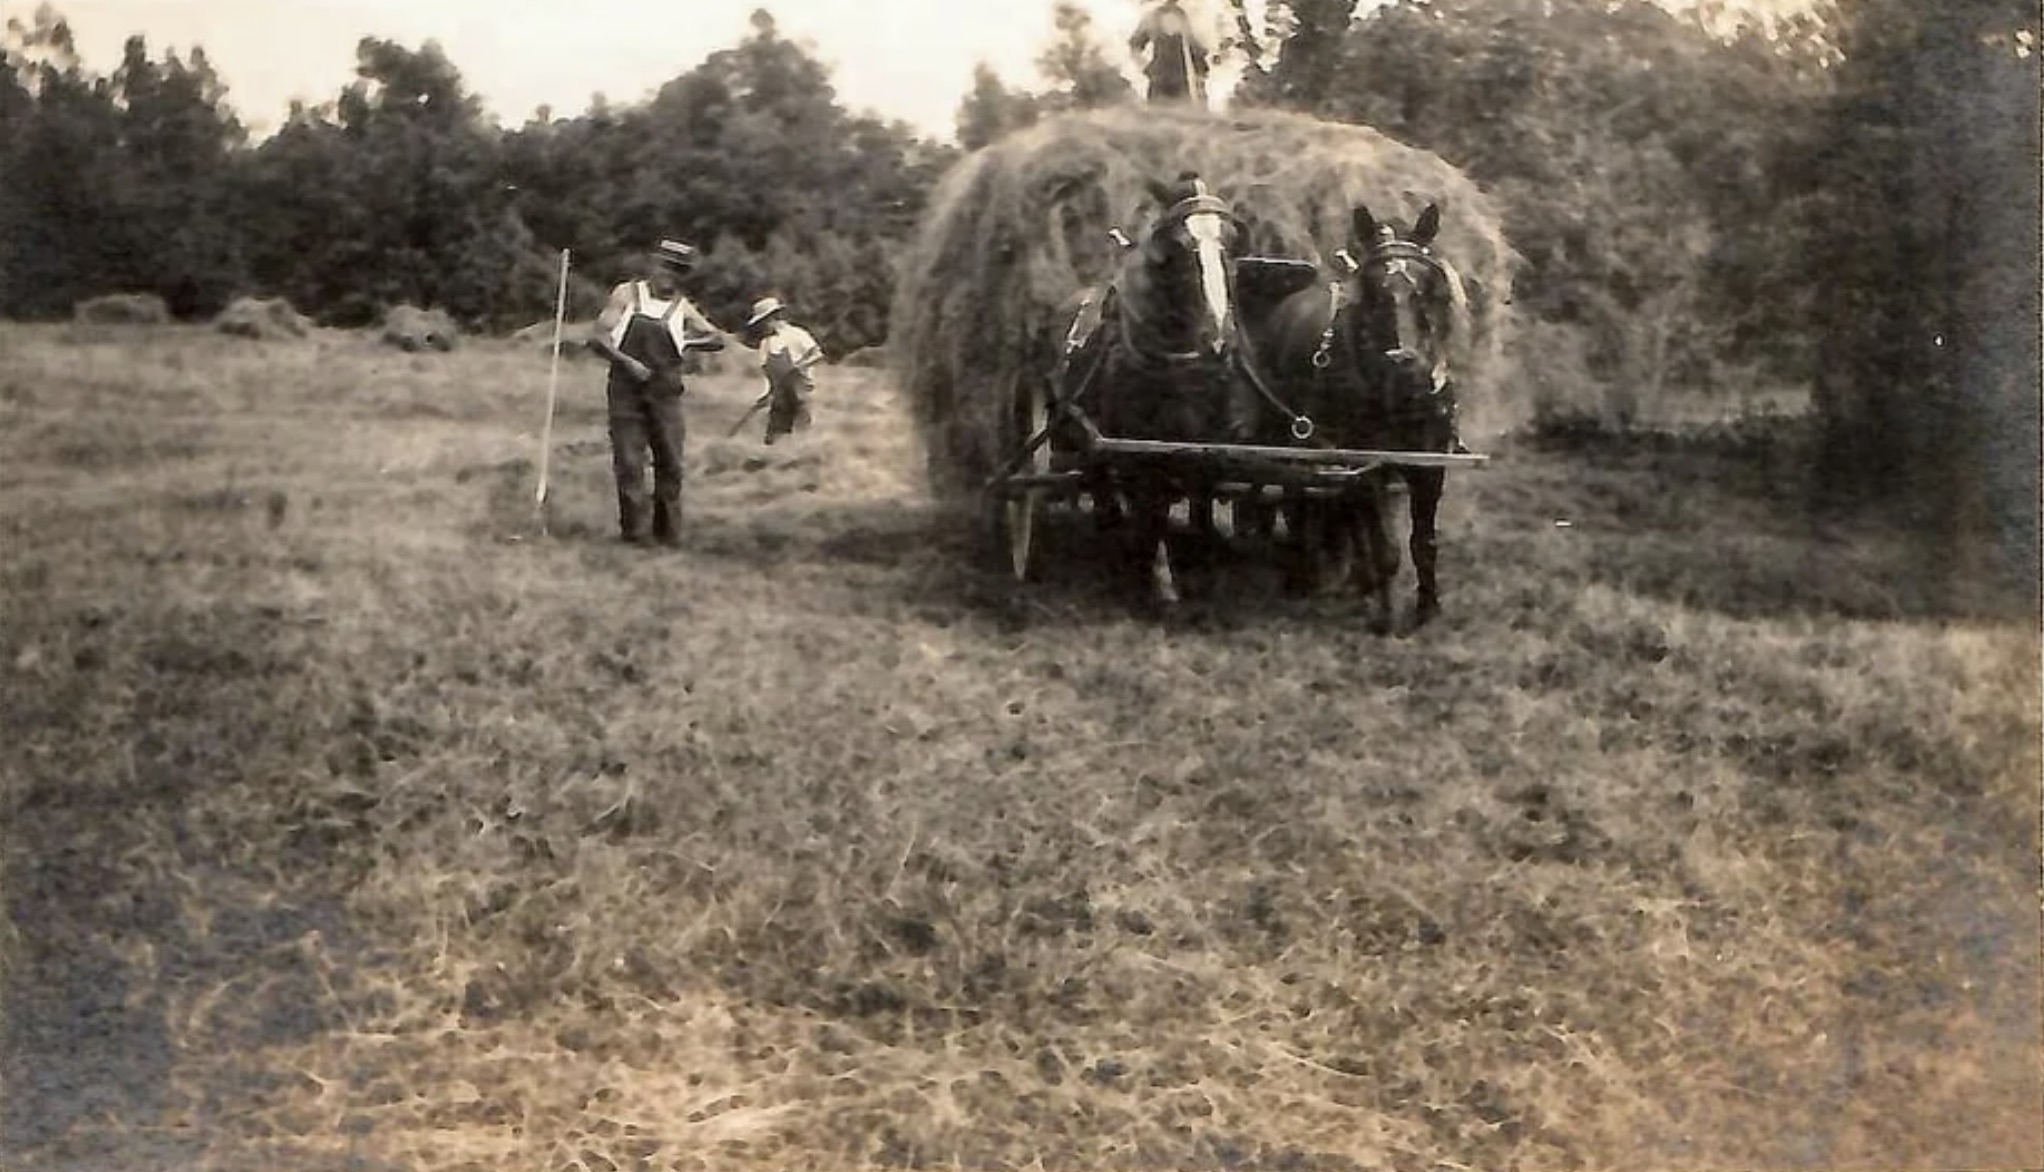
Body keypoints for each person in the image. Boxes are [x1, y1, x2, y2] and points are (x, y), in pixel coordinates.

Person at [588, 239, 725, 546]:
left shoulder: (681, 306)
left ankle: (669, 534)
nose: (670, 276)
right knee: (630, 461)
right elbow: (597, 338)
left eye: (679, 271)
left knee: (671, 462)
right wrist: (629, 363)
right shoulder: (627, 294)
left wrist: (687, 343)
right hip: (627, 391)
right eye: (666, 267)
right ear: (654, 265)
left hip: (666, 393)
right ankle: (636, 535)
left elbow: (717, 338)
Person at [742, 296, 825, 445]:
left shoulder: (796, 334)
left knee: (801, 435)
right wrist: (767, 394)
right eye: (760, 323)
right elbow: (770, 375)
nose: (762, 327)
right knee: (773, 438)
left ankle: (799, 461)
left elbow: (818, 354)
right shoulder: (765, 343)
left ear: (774, 317)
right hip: (780, 396)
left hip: (801, 391)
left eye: (763, 322)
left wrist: (801, 366)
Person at [1129, 0, 1224, 107]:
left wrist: (1202, 72)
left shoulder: (1186, 15)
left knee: (1185, 117)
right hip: (1159, 80)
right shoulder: (1152, 17)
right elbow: (1135, 45)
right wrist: (1145, 67)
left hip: (1183, 80)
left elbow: (1196, 48)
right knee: (1158, 116)